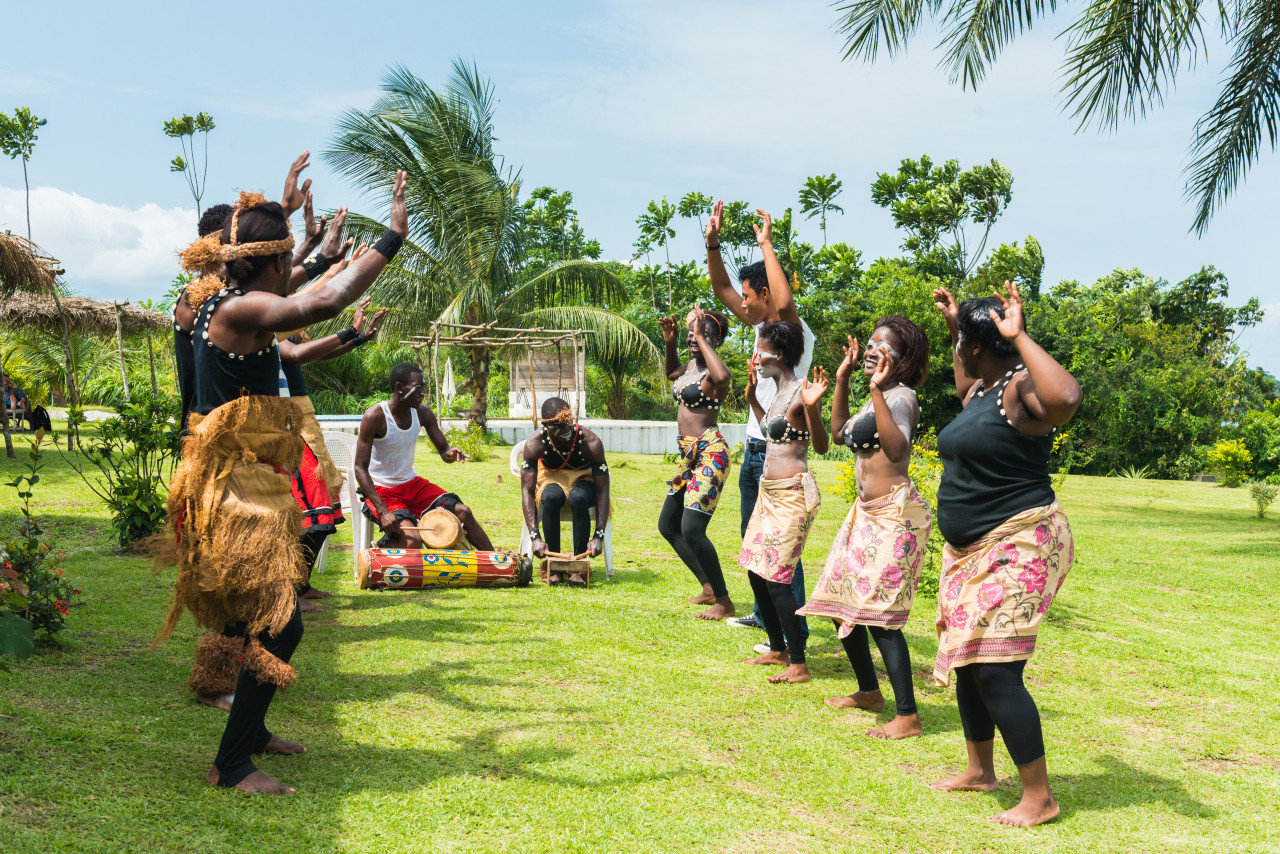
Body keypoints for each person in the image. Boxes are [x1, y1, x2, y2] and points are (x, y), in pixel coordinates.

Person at [159, 167, 410, 795]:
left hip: (251, 478)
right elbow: (317, 298)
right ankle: (233, 761)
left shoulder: (236, 304)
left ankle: (246, 724)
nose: (290, 271)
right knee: (283, 621)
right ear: (268, 265)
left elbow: (299, 315)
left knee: (255, 619)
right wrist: (390, 239)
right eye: (285, 262)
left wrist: (308, 240)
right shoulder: (237, 308)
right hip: (233, 485)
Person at [928, 281, 1081, 827]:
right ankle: (979, 771)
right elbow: (967, 374)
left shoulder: (1020, 387)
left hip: (1022, 538)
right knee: (969, 664)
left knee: (996, 669)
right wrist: (957, 327)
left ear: (979, 346)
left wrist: (1019, 335)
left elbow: (1065, 401)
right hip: (972, 548)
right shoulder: (982, 392)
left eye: (964, 343)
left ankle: (1039, 797)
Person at [797, 319, 932, 738]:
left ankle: (907, 715)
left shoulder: (902, 397)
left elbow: (898, 450)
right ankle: (869, 692)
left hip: (894, 514)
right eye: (870, 344)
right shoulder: (876, 396)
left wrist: (875, 390)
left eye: (883, 347)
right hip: (865, 515)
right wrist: (842, 379)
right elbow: (838, 435)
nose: (872, 350)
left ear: (902, 357)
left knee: (880, 615)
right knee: (842, 602)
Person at [705, 203, 815, 642]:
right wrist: (712, 241)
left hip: (781, 452)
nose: (743, 302)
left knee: (783, 547)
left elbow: (784, 302)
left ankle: (792, 630)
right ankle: (766, 617)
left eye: (750, 295)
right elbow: (721, 287)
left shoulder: (795, 333)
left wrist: (766, 243)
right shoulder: (761, 330)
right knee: (756, 542)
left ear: (767, 293)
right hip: (754, 449)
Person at [281, 285, 386, 610]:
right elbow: (298, 354)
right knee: (307, 510)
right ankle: (288, 594)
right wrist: (350, 330)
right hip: (285, 420)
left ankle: (301, 584)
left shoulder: (287, 323)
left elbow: (315, 353)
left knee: (324, 502)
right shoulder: (268, 324)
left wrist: (358, 339)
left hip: (301, 414)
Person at [736, 321, 828, 683]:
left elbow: (820, 446)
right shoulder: (777, 389)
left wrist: (814, 408)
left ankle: (799, 662)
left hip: (791, 495)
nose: (756, 358)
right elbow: (770, 431)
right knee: (755, 570)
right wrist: (751, 399)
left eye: (761, 351)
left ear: (782, 354)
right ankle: (776, 648)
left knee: (776, 579)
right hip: (767, 493)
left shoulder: (801, 391)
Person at [354, 362, 494, 553]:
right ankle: (373, 553)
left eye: (424, 387)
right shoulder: (375, 416)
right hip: (382, 490)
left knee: (463, 512)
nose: (423, 392)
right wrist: (383, 511)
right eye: (417, 387)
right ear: (399, 388)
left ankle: (497, 562)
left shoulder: (422, 412)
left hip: (412, 485)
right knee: (413, 541)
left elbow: (443, 449)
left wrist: (450, 453)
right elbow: (359, 467)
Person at [658, 306, 735, 619]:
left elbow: (724, 377)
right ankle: (708, 588)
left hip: (710, 454)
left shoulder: (714, 372)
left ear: (713, 340)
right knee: (668, 526)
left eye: (701, 334)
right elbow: (672, 373)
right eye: (692, 333)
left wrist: (702, 335)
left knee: (692, 529)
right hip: (689, 457)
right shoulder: (691, 365)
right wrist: (670, 341)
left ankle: (724, 601)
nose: (694, 338)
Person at [518, 397, 610, 586]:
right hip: (551, 480)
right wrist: (534, 537)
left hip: (584, 481)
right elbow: (527, 491)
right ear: (547, 426)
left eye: (567, 424)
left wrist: (598, 536)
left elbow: (602, 490)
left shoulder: (591, 442)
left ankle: (578, 567)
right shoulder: (535, 442)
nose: (565, 431)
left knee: (578, 497)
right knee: (551, 496)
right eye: (558, 426)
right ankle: (555, 566)